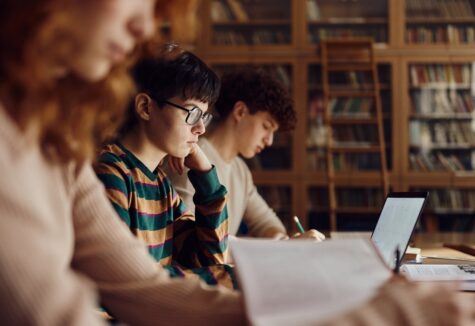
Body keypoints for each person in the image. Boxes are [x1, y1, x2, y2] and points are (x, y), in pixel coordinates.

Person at [0, 1, 473, 325]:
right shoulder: (107, 168)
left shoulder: (51, 145)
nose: (145, 27)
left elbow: (143, 287)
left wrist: (332, 308)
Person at [94, 43, 236, 289]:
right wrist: (226, 277)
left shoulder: (160, 184)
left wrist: (205, 175)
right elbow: (124, 276)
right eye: (192, 113)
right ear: (146, 107)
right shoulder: (110, 173)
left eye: (204, 116)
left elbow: (209, 258)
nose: (201, 128)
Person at [166, 68, 325, 240]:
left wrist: (282, 240)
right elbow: (192, 239)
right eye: (266, 126)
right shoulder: (192, 158)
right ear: (240, 112)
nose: (269, 141)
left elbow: (266, 223)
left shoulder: (240, 170)